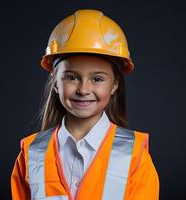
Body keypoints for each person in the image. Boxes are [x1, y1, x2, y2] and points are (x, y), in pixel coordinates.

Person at [11, 9, 159, 200]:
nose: (83, 89)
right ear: (56, 82)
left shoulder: (135, 157)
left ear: (114, 85)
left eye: (97, 79)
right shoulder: (31, 154)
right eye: (72, 77)